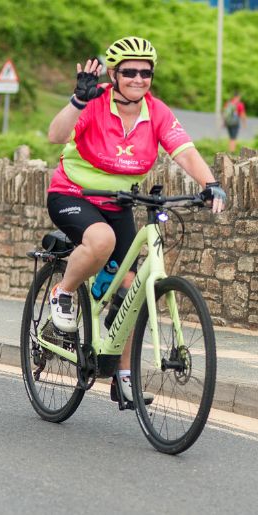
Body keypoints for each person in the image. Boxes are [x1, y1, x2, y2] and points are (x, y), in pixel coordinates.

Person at [46, 36, 226, 402]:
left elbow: (185, 152)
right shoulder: (94, 102)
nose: (138, 79)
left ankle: (125, 377)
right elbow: (55, 135)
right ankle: (62, 293)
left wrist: (211, 184)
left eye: (146, 72)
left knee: (133, 292)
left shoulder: (156, 111)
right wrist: (77, 101)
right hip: (72, 194)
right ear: (114, 74)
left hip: (120, 202)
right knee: (102, 241)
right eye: (129, 72)